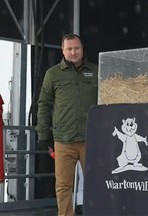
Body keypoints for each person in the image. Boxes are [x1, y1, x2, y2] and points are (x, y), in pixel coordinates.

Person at [36, 33, 98, 216]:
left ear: (82, 49)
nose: (73, 52)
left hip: (91, 140)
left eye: (76, 48)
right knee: (63, 186)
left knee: (96, 183)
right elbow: (44, 104)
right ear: (62, 51)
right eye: (69, 49)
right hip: (63, 140)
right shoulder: (53, 74)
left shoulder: (96, 71)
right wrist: (43, 134)